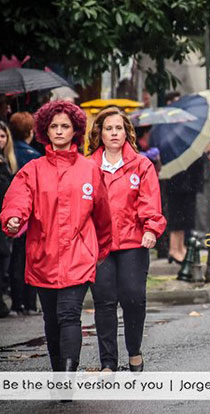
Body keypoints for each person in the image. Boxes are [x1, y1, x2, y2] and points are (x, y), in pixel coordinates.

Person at [1, 100, 112, 372]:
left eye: (66, 126)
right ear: (45, 131)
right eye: (54, 126)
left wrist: (101, 250)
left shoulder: (90, 170)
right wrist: (13, 219)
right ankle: (58, 374)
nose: (60, 131)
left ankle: (67, 381)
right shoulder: (33, 170)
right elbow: (17, 200)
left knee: (69, 315)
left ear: (75, 131)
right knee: (51, 320)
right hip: (43, 256)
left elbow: (103, 216)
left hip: (79, 255)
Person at [88, 107, 166, 372]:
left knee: (133, 298)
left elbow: (150, 200)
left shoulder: (141, 164)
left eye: (118, 128)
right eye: (108, 128)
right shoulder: (88, 165)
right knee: (105, 301)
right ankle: (108, 362)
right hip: (100, 245)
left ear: (126, 132)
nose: (113, 133)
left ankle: (134, 351)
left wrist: (151, 228)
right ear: (100, 133)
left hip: (134, 243)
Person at [7, 112, 41, 315]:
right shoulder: (33, 157)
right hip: (27, 215)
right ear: (31, 131)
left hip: (12, 213)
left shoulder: (10, 154)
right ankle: (29, 303)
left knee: (15, 259)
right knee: (28, 258)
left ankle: (17, 302)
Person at [0, 121, 16, 318]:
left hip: (6, 219)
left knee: (5, 259)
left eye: (3, 136)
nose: (0, 139)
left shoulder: (6, 162)